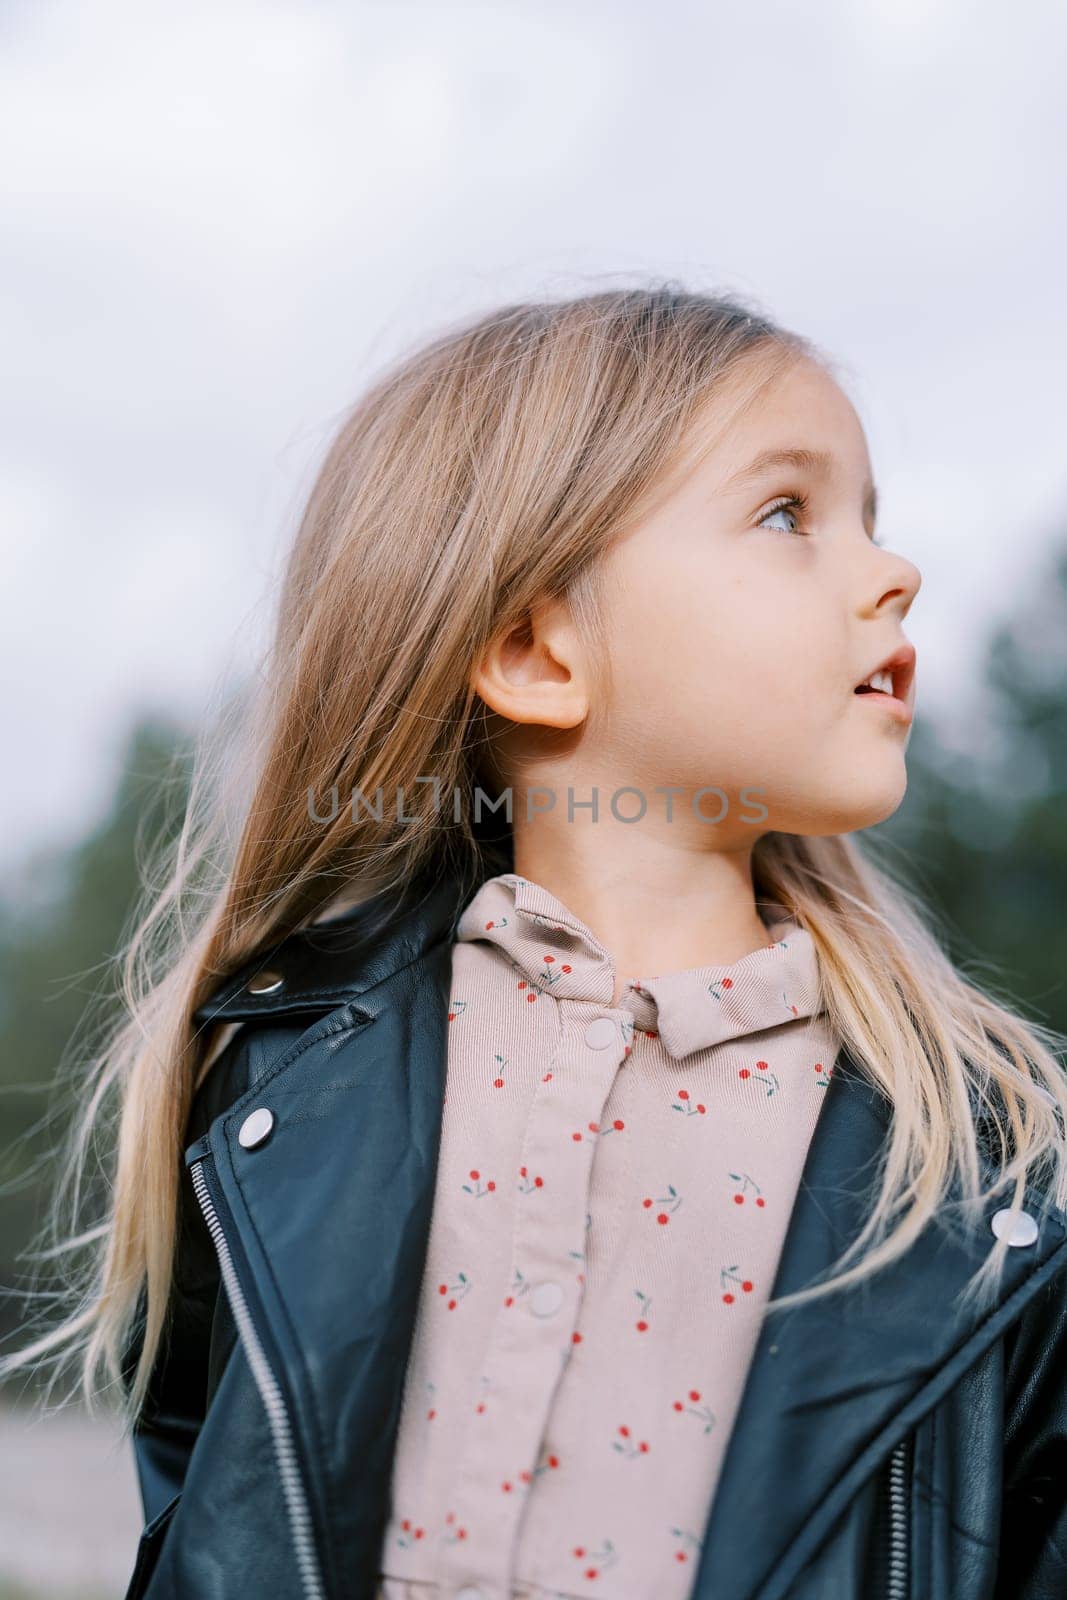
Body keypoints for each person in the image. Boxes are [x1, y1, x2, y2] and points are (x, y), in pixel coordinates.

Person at [5, 285, 1067, 1600]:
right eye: (788, 514)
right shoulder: (283, 1076)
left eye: (872, 519)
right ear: (535, 651)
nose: (895, 571)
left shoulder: (988, 1169)